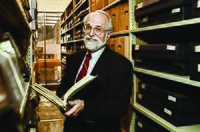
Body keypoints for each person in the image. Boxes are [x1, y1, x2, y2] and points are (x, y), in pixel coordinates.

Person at [56, 10, 133, 132]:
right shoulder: (73, 58)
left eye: (98, 29)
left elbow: (119, 106)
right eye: (88, 27)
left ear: (108, 34)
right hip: (71, 127)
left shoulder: (121, 65)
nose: (91, 33)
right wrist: (62, 96)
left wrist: (85, 107)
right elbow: (64, 85)